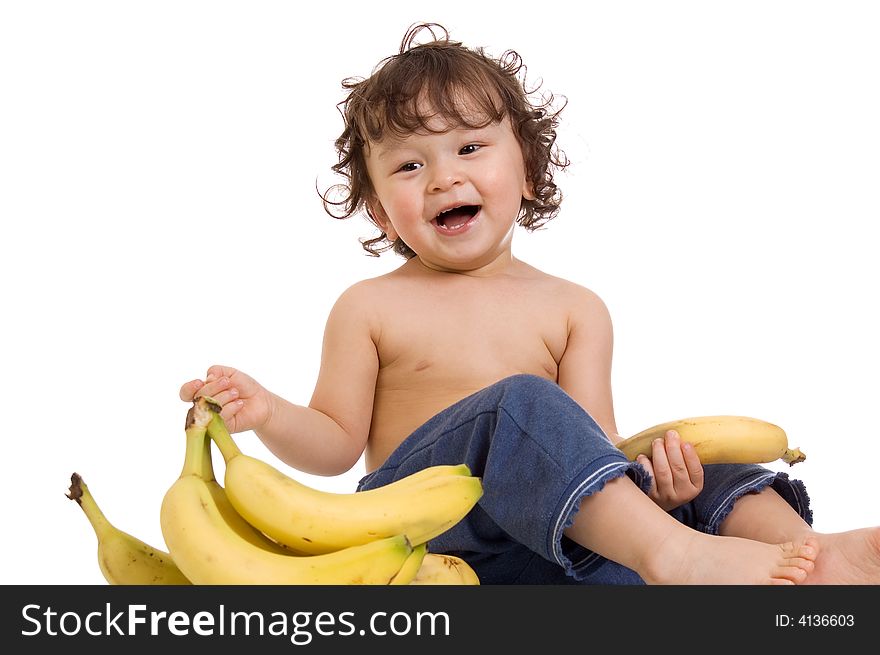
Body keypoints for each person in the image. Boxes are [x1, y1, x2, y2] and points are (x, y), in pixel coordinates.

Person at [180, 23, 880, 585]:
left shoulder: (575, 308)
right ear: (379, 211)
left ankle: (809, 561)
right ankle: (678, 557)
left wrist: (659, 492)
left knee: (705, 458)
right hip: (427, 532)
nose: (443, 175)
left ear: (528, 171)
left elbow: (598, 450)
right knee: (518, 405)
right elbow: (334, 442)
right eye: (409, 164)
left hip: (549, 547)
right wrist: (268, 412)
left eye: (470, 146)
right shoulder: (370, 307)